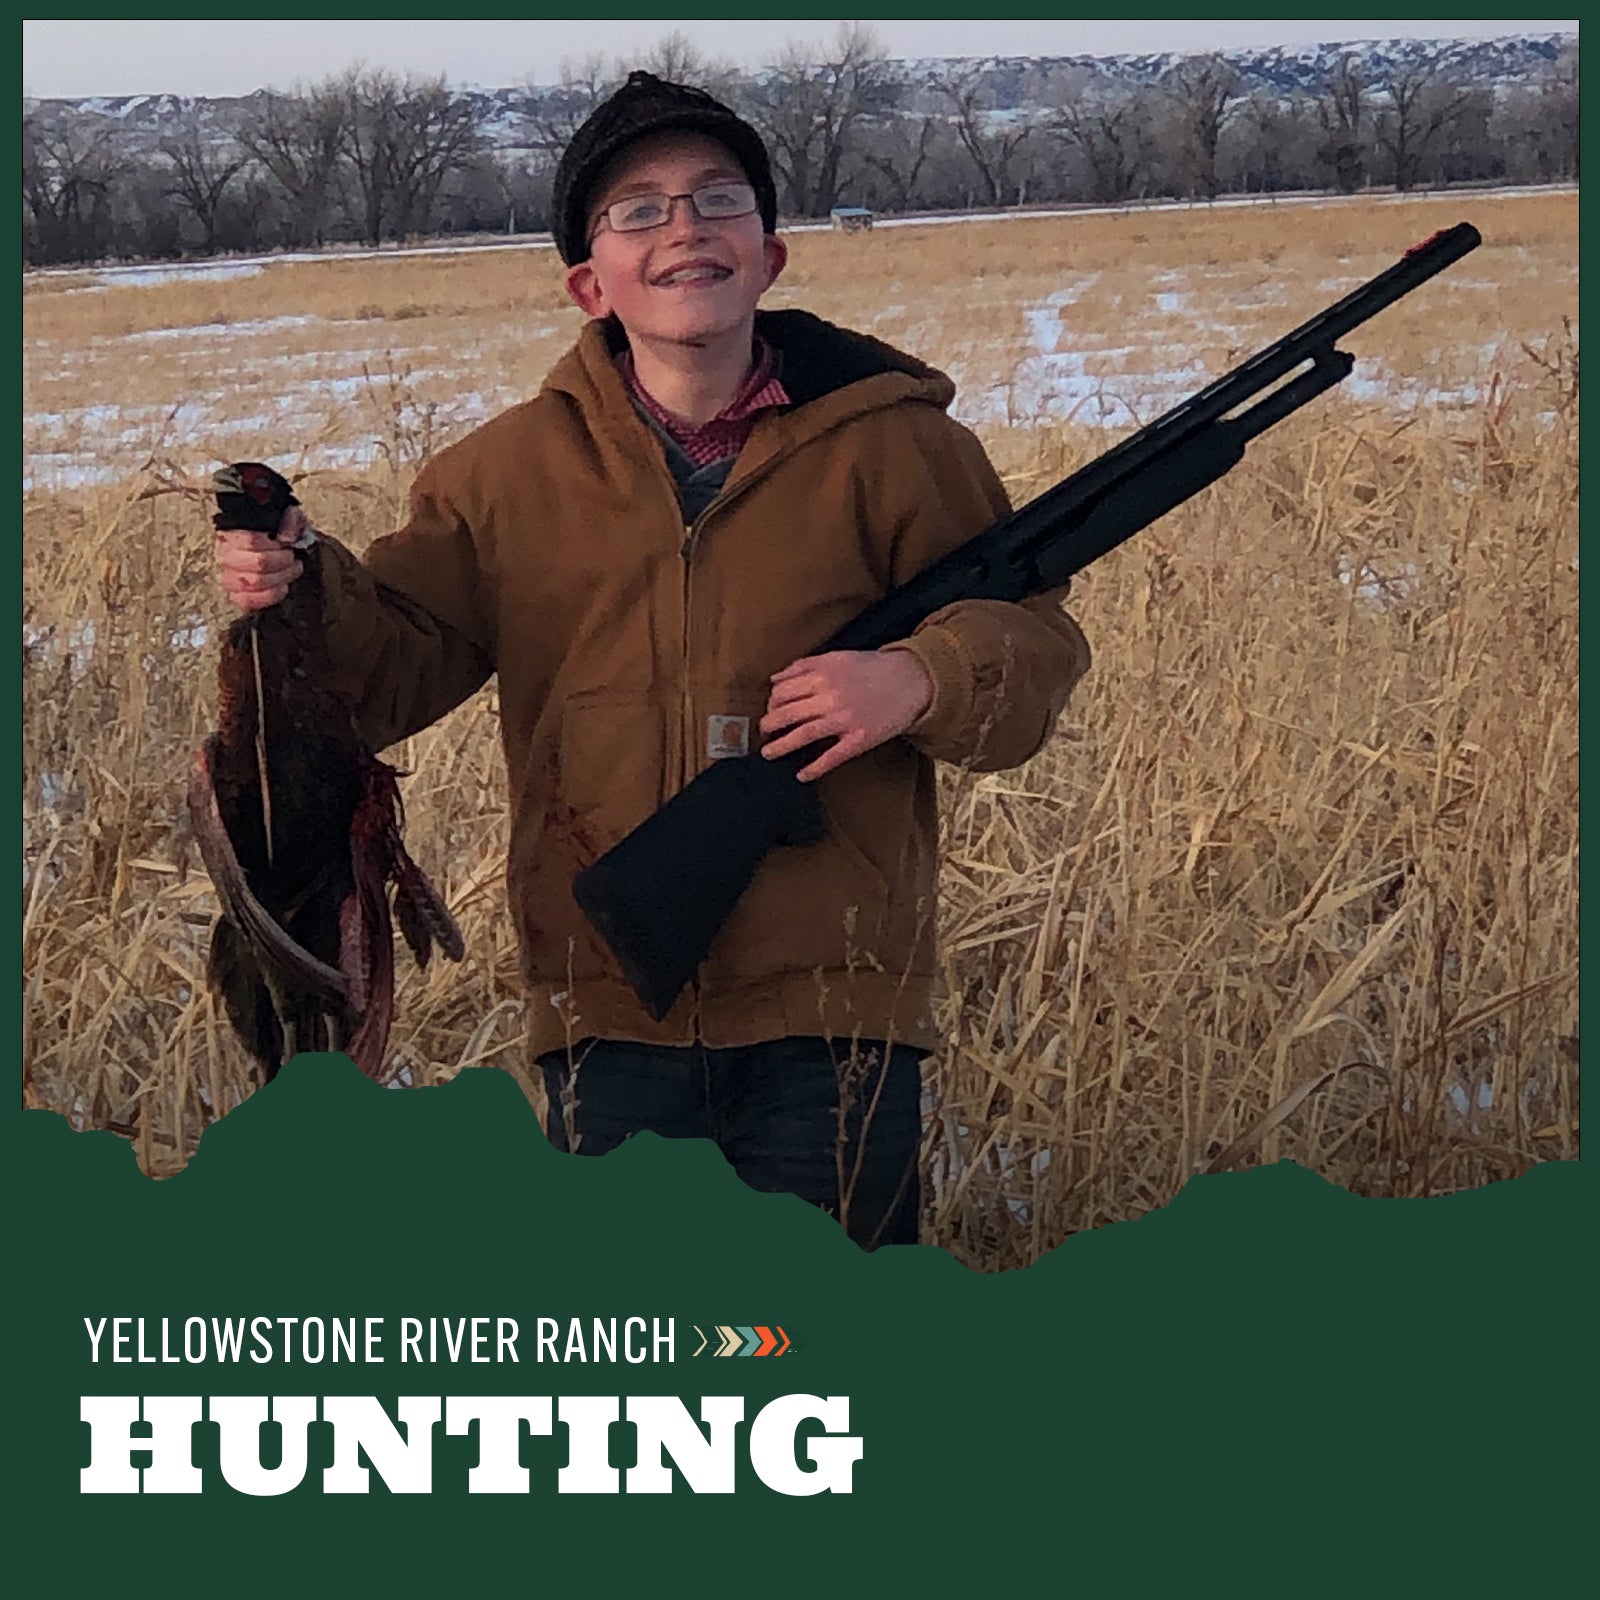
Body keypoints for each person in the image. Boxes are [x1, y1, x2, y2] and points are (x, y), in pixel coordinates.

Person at [215, 72, 1091, 1248]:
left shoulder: (896, 449)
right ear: (590, 281)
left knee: (846, 1375)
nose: (683, 228)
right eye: (638, 210)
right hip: (607, 1008)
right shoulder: (501, 477)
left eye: (716, 199)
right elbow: (386, 674)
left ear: (769, 255)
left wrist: (921, 676)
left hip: (835, 1008)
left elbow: (1034, 644)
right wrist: (302, 583)